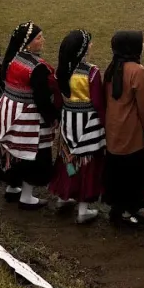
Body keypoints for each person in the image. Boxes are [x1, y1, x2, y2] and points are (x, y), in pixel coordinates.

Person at [0, 23, 61, 209]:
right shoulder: (37, 68)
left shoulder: (12, 59)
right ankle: (27, 196)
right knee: (32, 152)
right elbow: (41, 98)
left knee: (12, 149)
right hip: (27, 115)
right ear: (28, 43)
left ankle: (12, 186)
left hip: (8, 108)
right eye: (39, 38)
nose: (43, 40)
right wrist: (53, 116)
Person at [49, 30, 106, 224]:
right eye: (88, 43)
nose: (91, 46)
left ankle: (64, 195)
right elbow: (98, 102)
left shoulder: (61, 71)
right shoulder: (91, 72)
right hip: (88, 123)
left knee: (68, 159)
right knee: (87, 164)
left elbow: (58, 99)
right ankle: (83, 208)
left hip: (68, 121)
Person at [103, 31, 144, 229]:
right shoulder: (138, 71)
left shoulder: (112, 68)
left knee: (116, 170)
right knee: (133, 173)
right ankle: (128, 211)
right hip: (131, 131)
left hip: (113, 128)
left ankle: (117, 208)